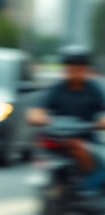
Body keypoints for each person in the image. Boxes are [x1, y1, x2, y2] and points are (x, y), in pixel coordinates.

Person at [27, 45, 105, 198]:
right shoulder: (56, 89)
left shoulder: (94, 89)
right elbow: (37, 109)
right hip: (59, 138)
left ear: (85, 69)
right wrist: (38, 117)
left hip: (88, 138)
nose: (74, 71)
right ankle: (82, 190)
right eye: (70, 67)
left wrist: (101, 122)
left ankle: (89, 187)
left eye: (79, 67)